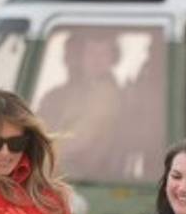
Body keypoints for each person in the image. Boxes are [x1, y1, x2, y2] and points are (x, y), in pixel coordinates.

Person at [36, 30, 126, 181]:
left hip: (86, 170)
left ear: (112, 58)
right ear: (82, 56)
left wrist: (39, 150)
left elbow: (81, 138)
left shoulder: (106, 94)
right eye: (91, 52)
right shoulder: (83, 89)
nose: (96, 60)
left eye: (103, 54)